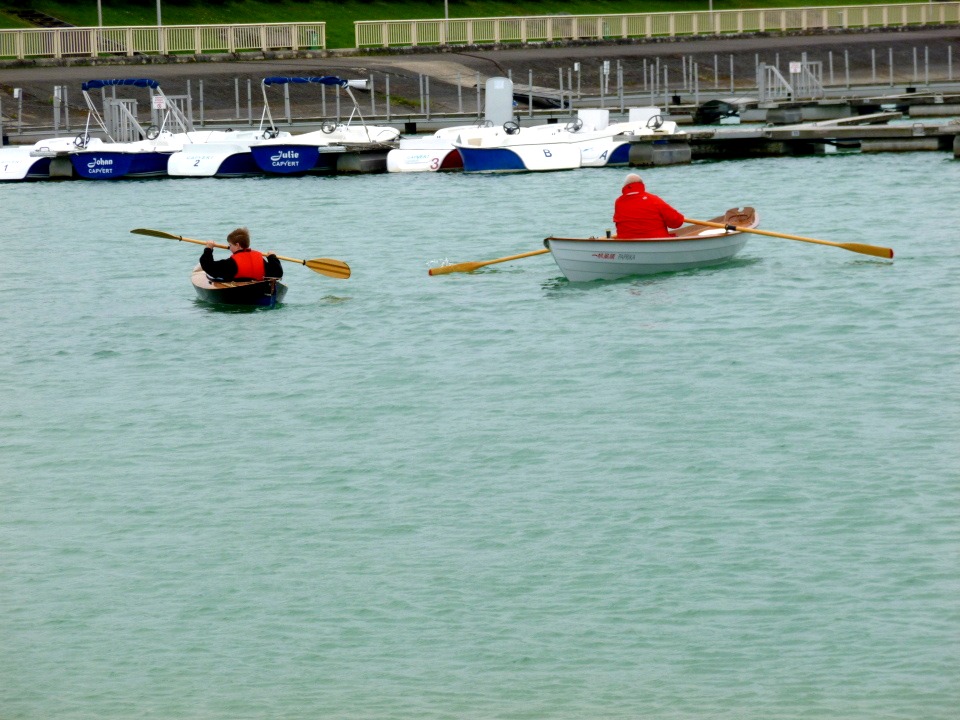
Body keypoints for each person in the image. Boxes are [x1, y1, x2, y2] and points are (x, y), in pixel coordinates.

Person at [612, 173, 685, 239]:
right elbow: (676, 222)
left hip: (627, 245)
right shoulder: (653, 199)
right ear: (642, 185)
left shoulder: (618, 202)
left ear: (625, 187)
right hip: (657, 243)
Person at [200, 227, 282, 281]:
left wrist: (208, 249)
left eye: (230, 245)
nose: (229, 247)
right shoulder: (260, 258)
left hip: (240, 293)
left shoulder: (231, 263)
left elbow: (208, 266)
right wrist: (272, 257)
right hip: (258, 289)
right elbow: (278, 273)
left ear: (237, 245)